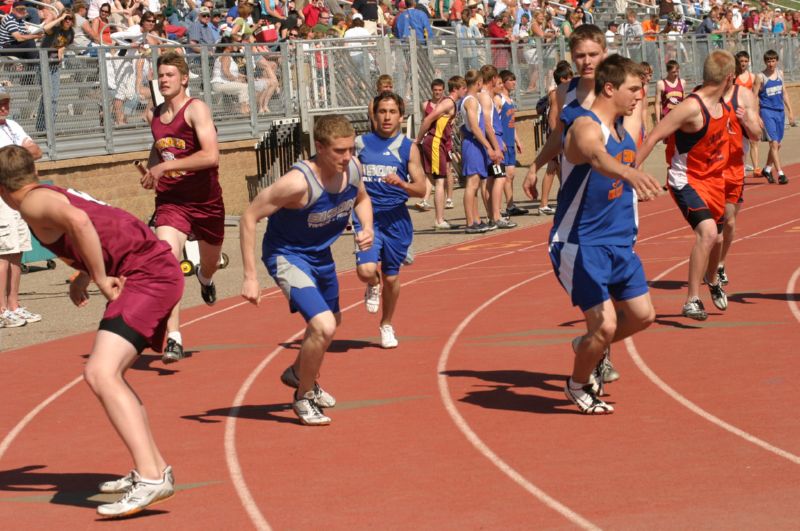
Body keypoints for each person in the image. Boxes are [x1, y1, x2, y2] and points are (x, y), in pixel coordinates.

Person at [0, 145, 183, 517]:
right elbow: (102, 223)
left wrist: (99, 277)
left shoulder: (31, 204)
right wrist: (84, 273)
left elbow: (82, 223)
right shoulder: (49, 192)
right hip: (150, 267)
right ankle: (154, 468)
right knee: (109, 374)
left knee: (100, 372)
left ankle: (151, 477)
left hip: (148, 274)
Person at [240, 114, 374, 425]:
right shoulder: (297, 183)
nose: (347, 157)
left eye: (351, 149)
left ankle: (300, 373)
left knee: (333, 322)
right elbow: (249, 217)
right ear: (320, 148)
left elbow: (362, 199)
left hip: (320, 256)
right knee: (323, 325)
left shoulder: (353, 169)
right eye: (340, 151)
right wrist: (250, 277)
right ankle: (302, 396)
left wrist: (366, 226)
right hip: (287, 255)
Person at [524, 25, 639, 383]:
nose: (587, 61)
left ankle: (598, 347)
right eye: (580, 56)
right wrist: (535, 165)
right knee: (596, 293)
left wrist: (629, 175)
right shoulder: (566, 91)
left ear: (605, 52)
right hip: (579, 194)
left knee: (619, 294)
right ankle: (598, 351)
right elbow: (559, 137)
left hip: (614, 195)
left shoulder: (624, 92)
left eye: (593, 54)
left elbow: (633, 142)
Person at [551, 55, 660, 414]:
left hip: (618, 241)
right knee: (606, 322)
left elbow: (644, 117)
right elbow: (596, 158)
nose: (638, 96)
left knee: (643, 316)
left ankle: (588, 345)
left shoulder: (622, 126)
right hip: (581, 243)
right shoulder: (586, 126)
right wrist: (629, 175)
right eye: (632, 89)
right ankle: (577, 383)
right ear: (609, 88)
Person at [636, 50, 738, 321]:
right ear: (729, 78)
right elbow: (652, 137)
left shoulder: (723, 105)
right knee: (706, 232)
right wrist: (629, 172)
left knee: (717, 237)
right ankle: (692, 299)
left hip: (715, 181)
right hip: (686, 180)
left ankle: (712, 278)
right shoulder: (692, 107)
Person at [143, 52, 224, 363]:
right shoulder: (156, 116)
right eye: (160, 75)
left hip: (206, 202)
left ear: (184, 78)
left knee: (211, 261)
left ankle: (205, 279)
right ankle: (174, 337)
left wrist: (165, 168)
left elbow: (211, 156)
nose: (164, 80)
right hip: (171, 202)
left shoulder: (196, 109)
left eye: (169, 75)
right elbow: (159, 150)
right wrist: (153, 171)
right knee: (166, 260)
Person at [356, 92, 426, 348]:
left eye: (392, 112)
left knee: (392, 278)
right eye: (382, 112)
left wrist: (402, 183)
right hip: (368, 218)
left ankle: (386, 324)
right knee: (366, 271)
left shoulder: (408, 147)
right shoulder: (359, 144)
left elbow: (422, 190)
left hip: (397, 219)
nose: (386, 117)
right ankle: (372, 284)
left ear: (401, 116)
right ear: (374, 115)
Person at [0, 87, 42, 328]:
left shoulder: (13, 126)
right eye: (0, 103)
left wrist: (13, 156)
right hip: (2, 195)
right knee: (3, 251)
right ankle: (2, 309)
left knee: (17, 250)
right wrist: (21, 155)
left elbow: (37, 151)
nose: (4, 106)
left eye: (6, 101)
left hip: (18, 196)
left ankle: (14, 304)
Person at [716, 71, 761, 287]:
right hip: (710, 169)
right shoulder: (705, 95)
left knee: (730, 222)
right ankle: (711, 263)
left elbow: (756, 135)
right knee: (712, 224)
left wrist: (744, 121)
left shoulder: (743, 96)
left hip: (734, 168)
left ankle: (720, 263)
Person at [416, 76, 465, 229]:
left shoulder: (451, 103)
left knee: (436, 178)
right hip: (435, 142)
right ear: (456, 89)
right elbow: (428, 119)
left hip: (440, 143)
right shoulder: (448, 103)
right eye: (463, 88)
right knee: (439, 180)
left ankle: (438, 215)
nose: (465, 91)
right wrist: (418, 140)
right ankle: (439, 220)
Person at [478, 64, 515, 230]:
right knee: (499, 178)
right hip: (493, 140)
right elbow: (487, 123)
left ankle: (493, 215)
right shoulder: (485, 97)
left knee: (491, 180)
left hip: (494, 140)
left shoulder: (484, 96)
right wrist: (495, 146)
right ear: (493, 79)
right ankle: (496, 216)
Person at [460, 69, 496, 234]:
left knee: (474, 185)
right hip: (473, 144)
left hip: (474, 144)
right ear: (479, 83)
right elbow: (474, 127)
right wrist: (488, 146)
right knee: (472, 184)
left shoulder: (470, 100)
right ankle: (470, 222)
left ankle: (476, 219)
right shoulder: (471, 101)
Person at [537, 61, 573, 216]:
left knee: (559, 170)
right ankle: (543, 203)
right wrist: (557, 138)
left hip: (562, 135)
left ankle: (565, 198)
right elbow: (552, 119)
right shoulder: (556, 94)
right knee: (552, 169)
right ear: (564, 79)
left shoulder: (566, 93)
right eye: (570, 77)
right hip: (556, 137)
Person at [753, 49, 795, 185]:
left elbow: (784, 93)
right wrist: (756, 115)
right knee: (774, 143)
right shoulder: (760, 77)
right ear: (765, 62)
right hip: (767, 112)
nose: (771, 63)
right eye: (768, 61)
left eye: (773, 60)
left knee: (778, 144)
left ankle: (767, 168)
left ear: (777, 61)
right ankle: (781, 173)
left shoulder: (780, 74)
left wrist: (790, 111)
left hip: (780, 112)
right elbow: (754, 97)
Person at [497, 70, 528, 218]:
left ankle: (510, 205)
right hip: (502, 143)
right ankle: (501, 208)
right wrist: (498, 140)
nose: (514, 83)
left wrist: (518, 140)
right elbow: (494, 121)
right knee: (504, 176)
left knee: (511, 175)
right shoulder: (499, 99)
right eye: (511, 80)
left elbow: (512, 123)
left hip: (510, 142)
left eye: (514, 80)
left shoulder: (510, 100)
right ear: (503, 82)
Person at [415, 78, 445, 213]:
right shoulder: (425, 104)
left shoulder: (446, 104)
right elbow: (424, 121)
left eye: (440, 90)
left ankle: (447, 198)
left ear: (443, 90)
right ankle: (425, 200)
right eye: (435, 90)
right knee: (430, 172)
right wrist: (420, 139)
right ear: (432, 90)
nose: (437, 92)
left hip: (443, 141)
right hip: (430, 141)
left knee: (444, 172)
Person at [734, 50, 760, 175]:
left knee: (753, 140)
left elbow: (755, 97)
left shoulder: (753, 77)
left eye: (745, 61)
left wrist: (756, 114)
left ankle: (756, 168)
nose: (743, 64)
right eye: (741, 61)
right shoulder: (734, 77)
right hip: (736, 112)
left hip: (749, 112)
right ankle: (741, 167)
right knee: (738, 141)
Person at [655, 60, 685, 124]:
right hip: (667, 119)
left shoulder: (682, 82)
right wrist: (658, 121)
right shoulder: (661, 84)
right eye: (673, 72)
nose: (676, 74)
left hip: (680, 118)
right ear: (668, 71)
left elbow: (684, 100)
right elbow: (657, 104)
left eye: (677, 71)